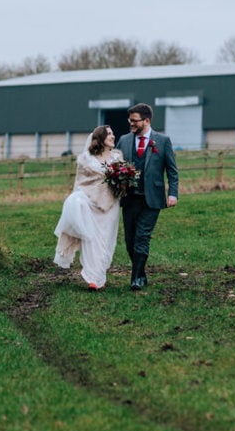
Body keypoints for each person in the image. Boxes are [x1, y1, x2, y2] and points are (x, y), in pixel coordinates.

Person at [114, 103, 179, 291]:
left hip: (152, 199)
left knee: (142, 237)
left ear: (147, 121)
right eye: (130, 121)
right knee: (130, 241)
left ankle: (136, 279)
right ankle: (141, 273)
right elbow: (115, 167)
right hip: (129, 199)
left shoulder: (163, 141)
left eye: (134, 121)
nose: (131, 124)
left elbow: (172, 171)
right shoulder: (124, 140)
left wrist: (172, 193)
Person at [53, 125, 122, 290]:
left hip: (110, 204)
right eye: (109, 134)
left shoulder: (118, 157)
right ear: (100, 138)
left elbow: (121, 181)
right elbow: (81, 183)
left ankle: (100, 276)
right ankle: (93, 279)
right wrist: (78, 201)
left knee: (106, 239)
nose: (113, 136)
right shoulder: (86, 159)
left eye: (113, 133)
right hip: (90, 203)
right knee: (91, 238)